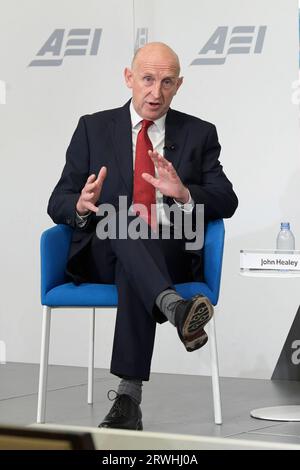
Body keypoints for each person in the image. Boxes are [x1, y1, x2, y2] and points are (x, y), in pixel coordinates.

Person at [47, 42, 238, 431]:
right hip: (101, 252)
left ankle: (128, 400)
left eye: (167, 82)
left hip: (168, 251)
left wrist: (184, 192)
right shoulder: (93, 127)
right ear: (128, 78)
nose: (156, 92)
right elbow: (58, 201)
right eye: (148, 79)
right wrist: (82, 204)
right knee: (122, 220)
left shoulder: (198, 133)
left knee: (136, 244)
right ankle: (176, 309)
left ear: (179, 84)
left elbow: (226, 200)